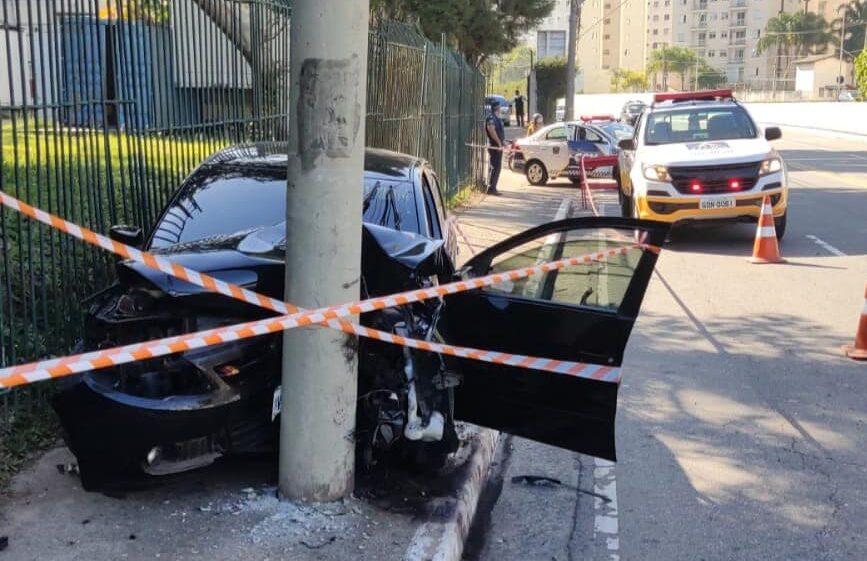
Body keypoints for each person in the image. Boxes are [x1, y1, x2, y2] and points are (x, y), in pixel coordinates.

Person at [485, 99, 505, 196]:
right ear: (497, 107)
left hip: (498, 146)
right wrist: (499, 143)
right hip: (494, 147)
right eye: (499, 106)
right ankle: (491, 188)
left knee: (497, 167)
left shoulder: (498, 118)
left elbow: (499, 133)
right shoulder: (491, 118)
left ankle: (493, 187)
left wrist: (503, 142)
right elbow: (492, 131)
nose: (500, 108)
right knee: (495, 167)